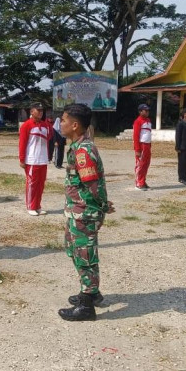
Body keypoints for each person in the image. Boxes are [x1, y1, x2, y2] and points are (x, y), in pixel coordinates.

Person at [57, 104, 114, 322]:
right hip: (76, 210)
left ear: (75, 125)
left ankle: (87, 304)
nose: (59, 124)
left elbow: (92, 186)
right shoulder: (77, 146)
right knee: (74, 250)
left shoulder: (83, 151)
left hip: (85, 212)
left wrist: (101, 207)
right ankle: (92, 292)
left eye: (63, 120)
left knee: (85, 255)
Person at [18, 102, 52, 215]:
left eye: (42, 110)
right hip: (32, 159)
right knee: (32, 183)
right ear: (32, 112)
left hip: (43, 159)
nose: (41, 112)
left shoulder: (45, 125)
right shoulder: (26, 125)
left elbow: (50, 136)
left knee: (41, 184)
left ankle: (37, 206)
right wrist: (22, 159)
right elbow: (22, 143)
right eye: (38, 110)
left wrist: (49, 124)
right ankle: (30, 206)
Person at [132, 103, 152, 190]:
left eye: (148, 110)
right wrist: (137, 149)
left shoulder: (148, 120)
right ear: (140, 111)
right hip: (141, 145)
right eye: (145, 110)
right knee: (140, 165)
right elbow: (136, 136)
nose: (147, 112)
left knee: (146, 164)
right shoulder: (138, 121)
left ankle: (143, 181)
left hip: (147, 145)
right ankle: (138, 183)